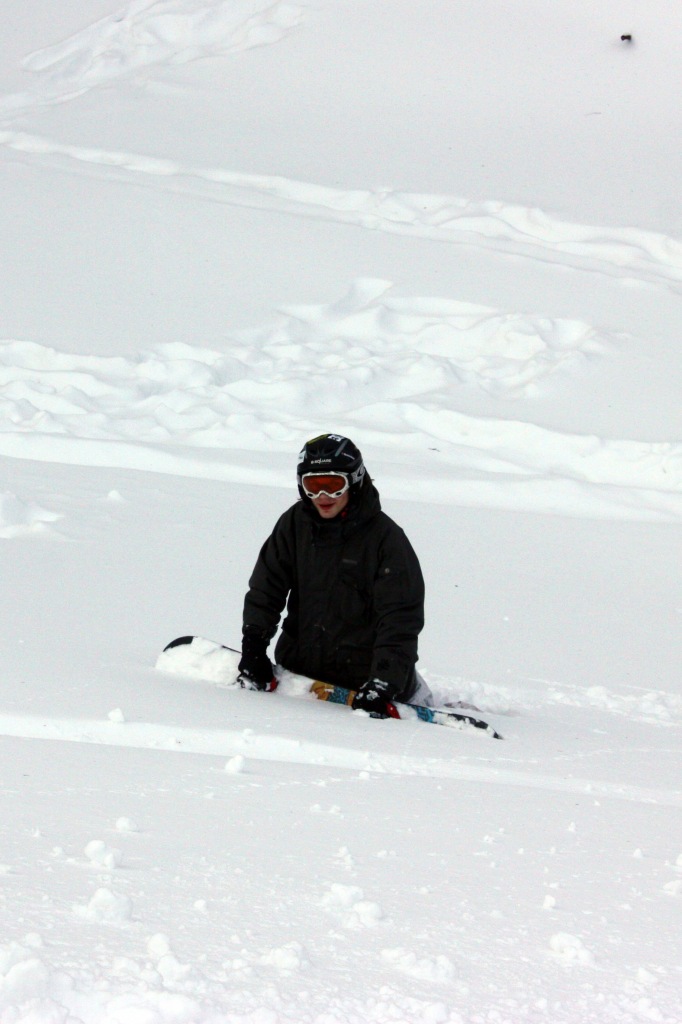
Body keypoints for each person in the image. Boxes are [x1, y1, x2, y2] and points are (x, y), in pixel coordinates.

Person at [237, 433, 431, 716]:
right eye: (313, 486)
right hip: (299, 673)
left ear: (354, 480)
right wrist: (253, 646)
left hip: (363, 680)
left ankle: (414, 691)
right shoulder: (294, 525)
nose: (323, 496)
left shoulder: (386, 540)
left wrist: (383, 682)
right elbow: (266, 589)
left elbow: (400, 618)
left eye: (333, 485)